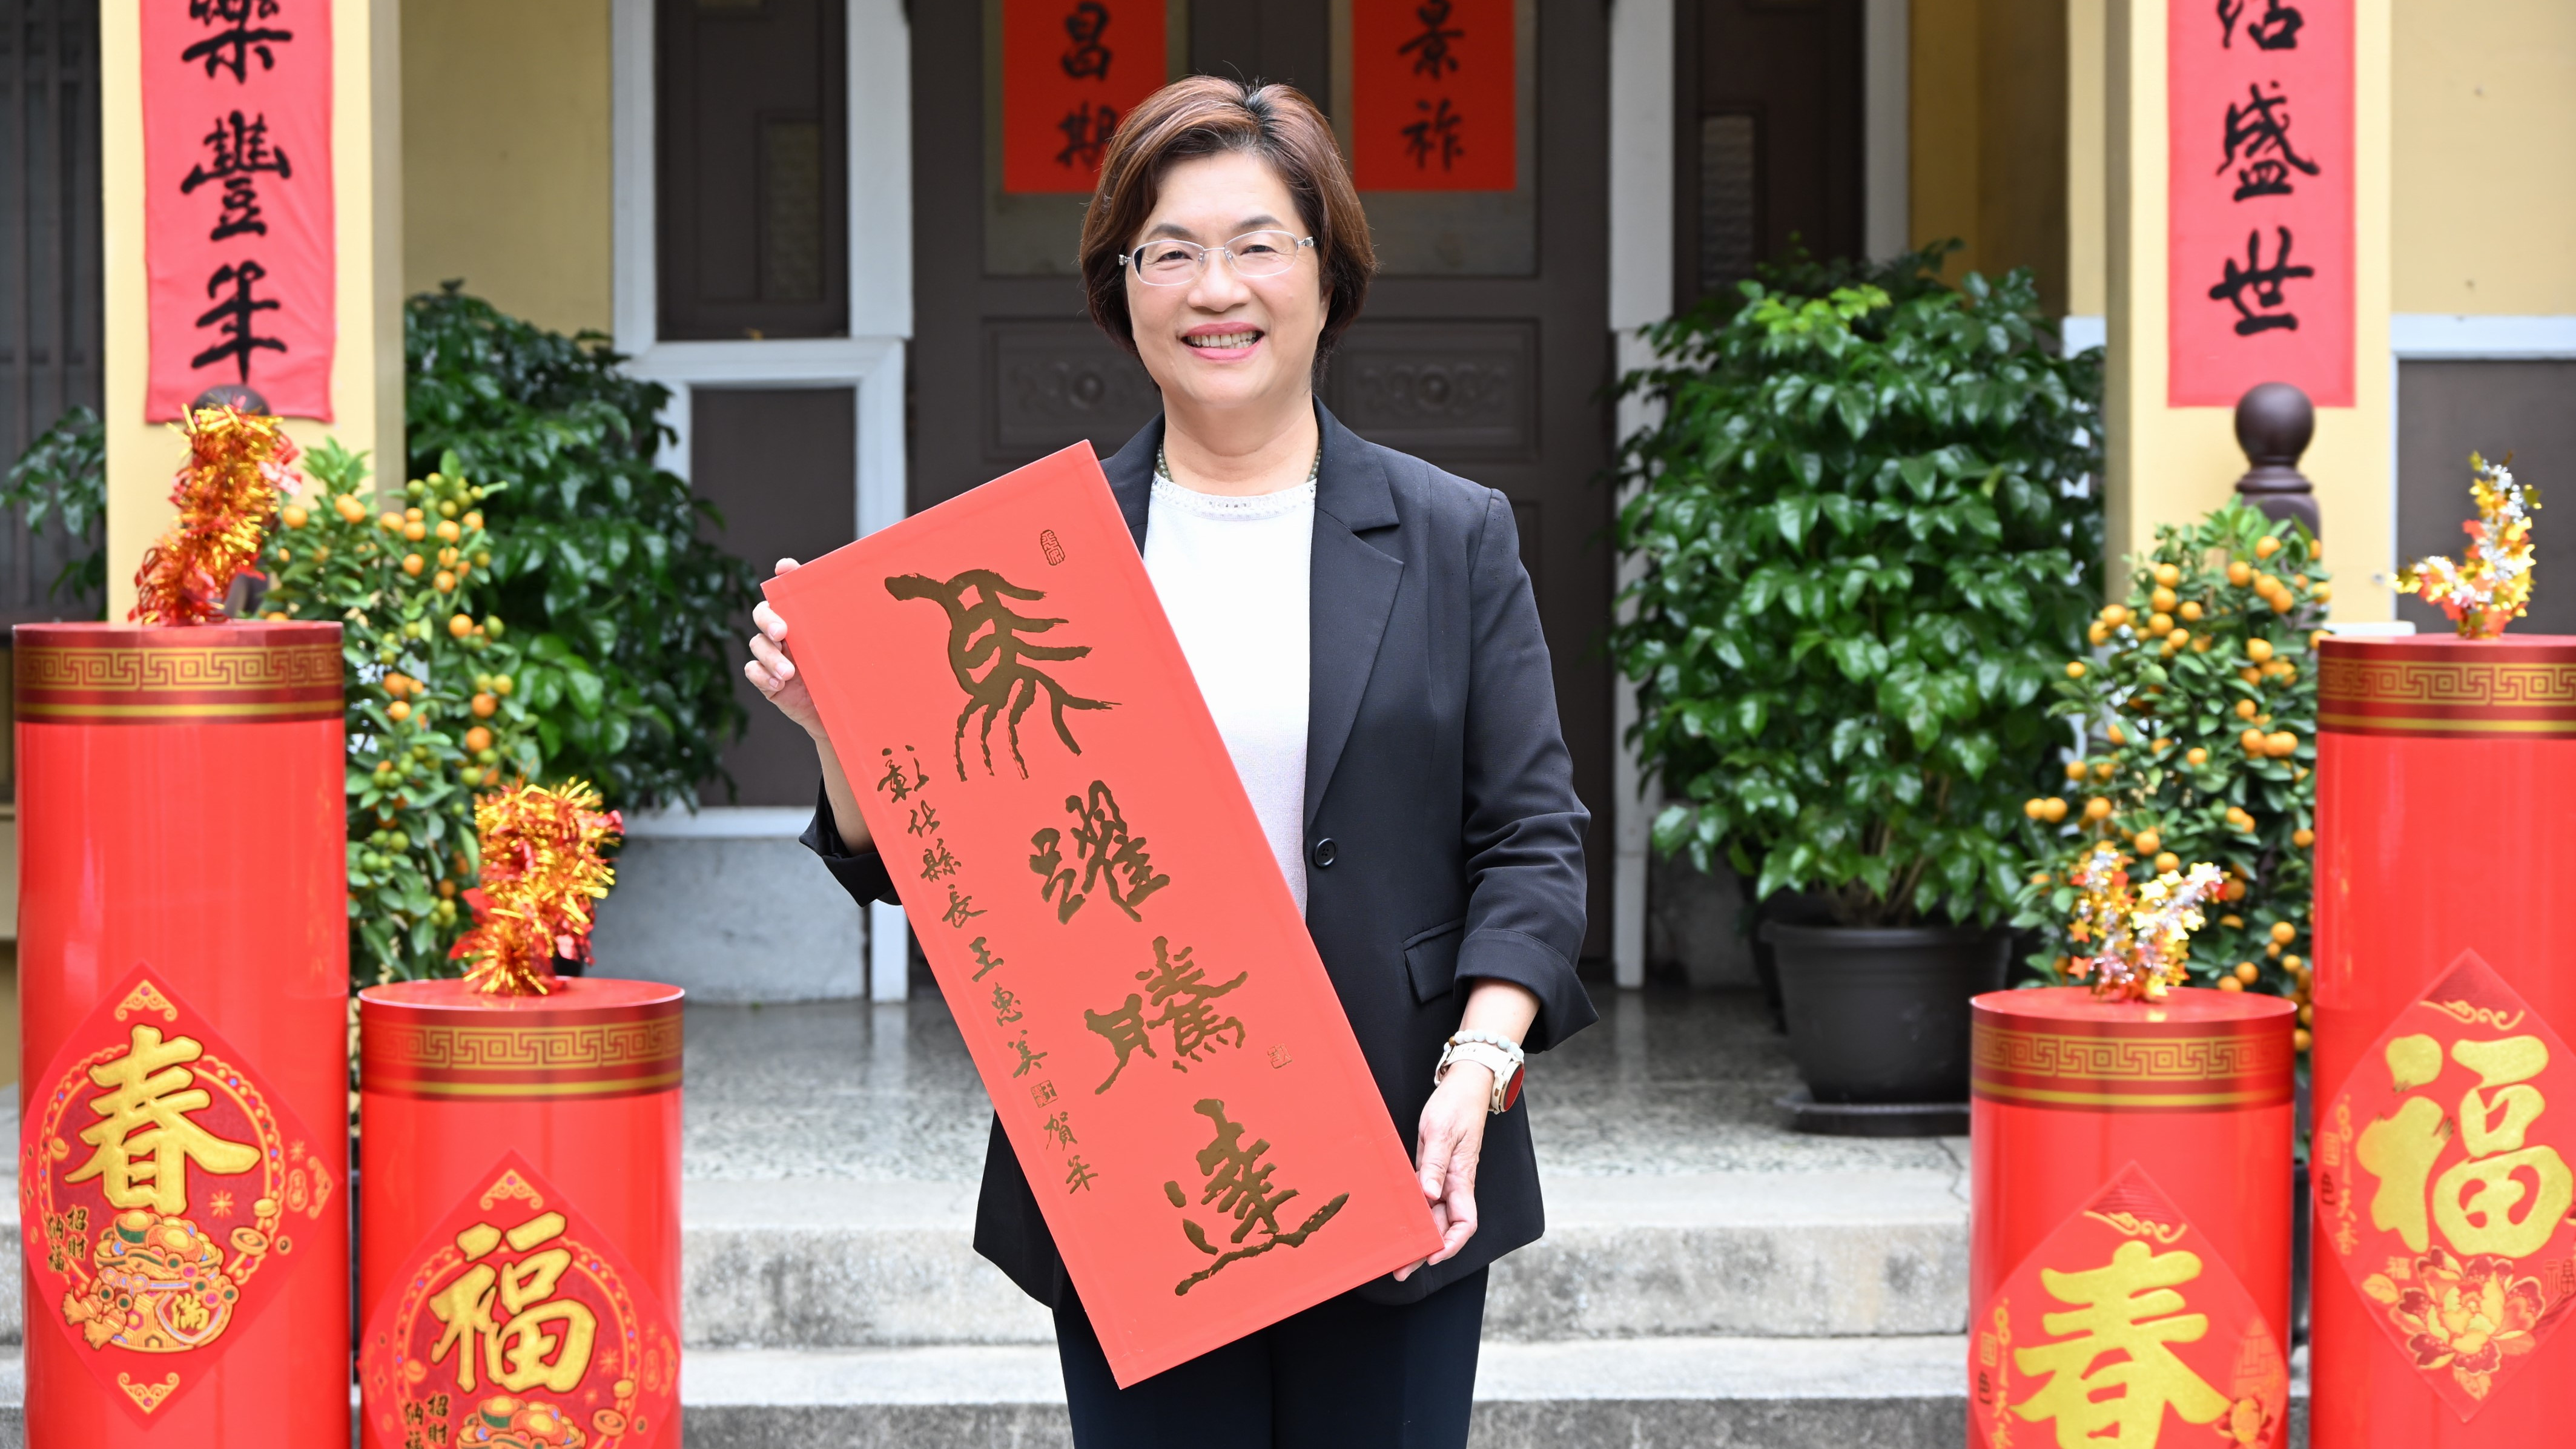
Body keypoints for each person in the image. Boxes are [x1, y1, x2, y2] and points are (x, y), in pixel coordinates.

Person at [742, 76, 1593, 1449]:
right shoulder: (1032, 562)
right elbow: (924, 867)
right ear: (1121, 288)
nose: (1217, 289)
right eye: (1171, 251)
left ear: (1329, 272)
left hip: (1395, 1138)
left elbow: (1531, 841)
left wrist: (1477, 1066)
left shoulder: (1453, 535)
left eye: (1258, 244)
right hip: (1136, 1159)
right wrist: (843, 736)